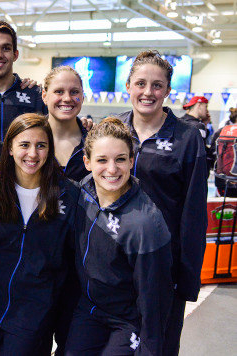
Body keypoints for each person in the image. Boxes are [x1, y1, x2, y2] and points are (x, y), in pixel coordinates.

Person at [117, 50, 207, 355]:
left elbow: (194, 214)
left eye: (157, 85)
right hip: (115, 263)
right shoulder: (113, 130)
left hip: (163, 268)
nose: (148, 92)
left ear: (168, 91)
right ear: (128, 85)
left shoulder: (187, 137)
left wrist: (187, 278)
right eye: (140, 83)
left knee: (159, 346)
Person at [0, 114, 80, 355]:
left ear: (50, 149)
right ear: (9, 148)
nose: (32, 154)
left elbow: (70, 259)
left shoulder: (68, 194)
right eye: (24, 145)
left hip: (33, 314)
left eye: (41, 145)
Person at [65, 118, 173, 355]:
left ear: (132, 161)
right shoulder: (81, 193)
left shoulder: (145, 223)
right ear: (87, 162)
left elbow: (154, 298)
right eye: (102, 160)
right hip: (89, 308)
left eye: (120, 159)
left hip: (126, 320)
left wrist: (149, 348)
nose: (112, 169)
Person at [38, 65, 91, 354]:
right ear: (44, 95)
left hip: (80, 265)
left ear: (82, 97)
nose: (66, 98)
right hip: (34, 264)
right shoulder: (29, 140)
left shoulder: (94, 144)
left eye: (74, 92)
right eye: (58, 91)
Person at [0, 20, 47, 142]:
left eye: (6, 48)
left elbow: (59, 129)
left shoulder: (36, 95)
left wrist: (81, 123)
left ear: (15, 55)